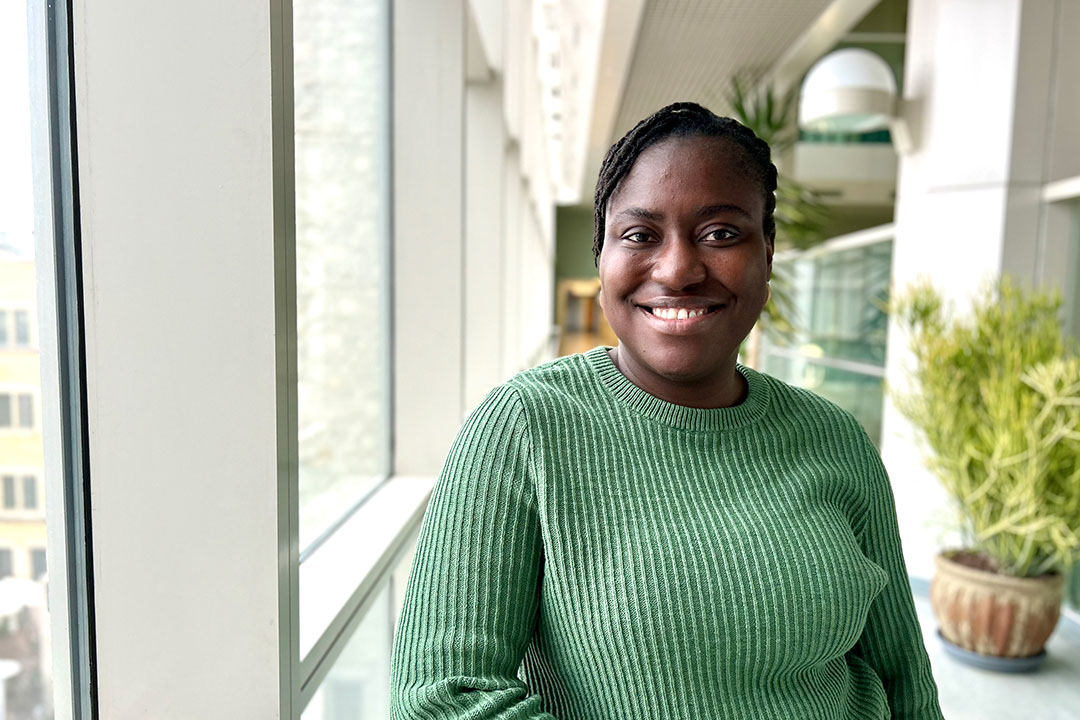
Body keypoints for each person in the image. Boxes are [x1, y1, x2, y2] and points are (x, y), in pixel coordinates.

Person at [389, 102, 945, 720]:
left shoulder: (834, 437)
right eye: (640, 235)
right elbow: (441, 698)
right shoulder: (525, 426)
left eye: (721, 234)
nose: (679, 269)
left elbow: (903, 674)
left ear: (767, 255)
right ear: (601, 258)